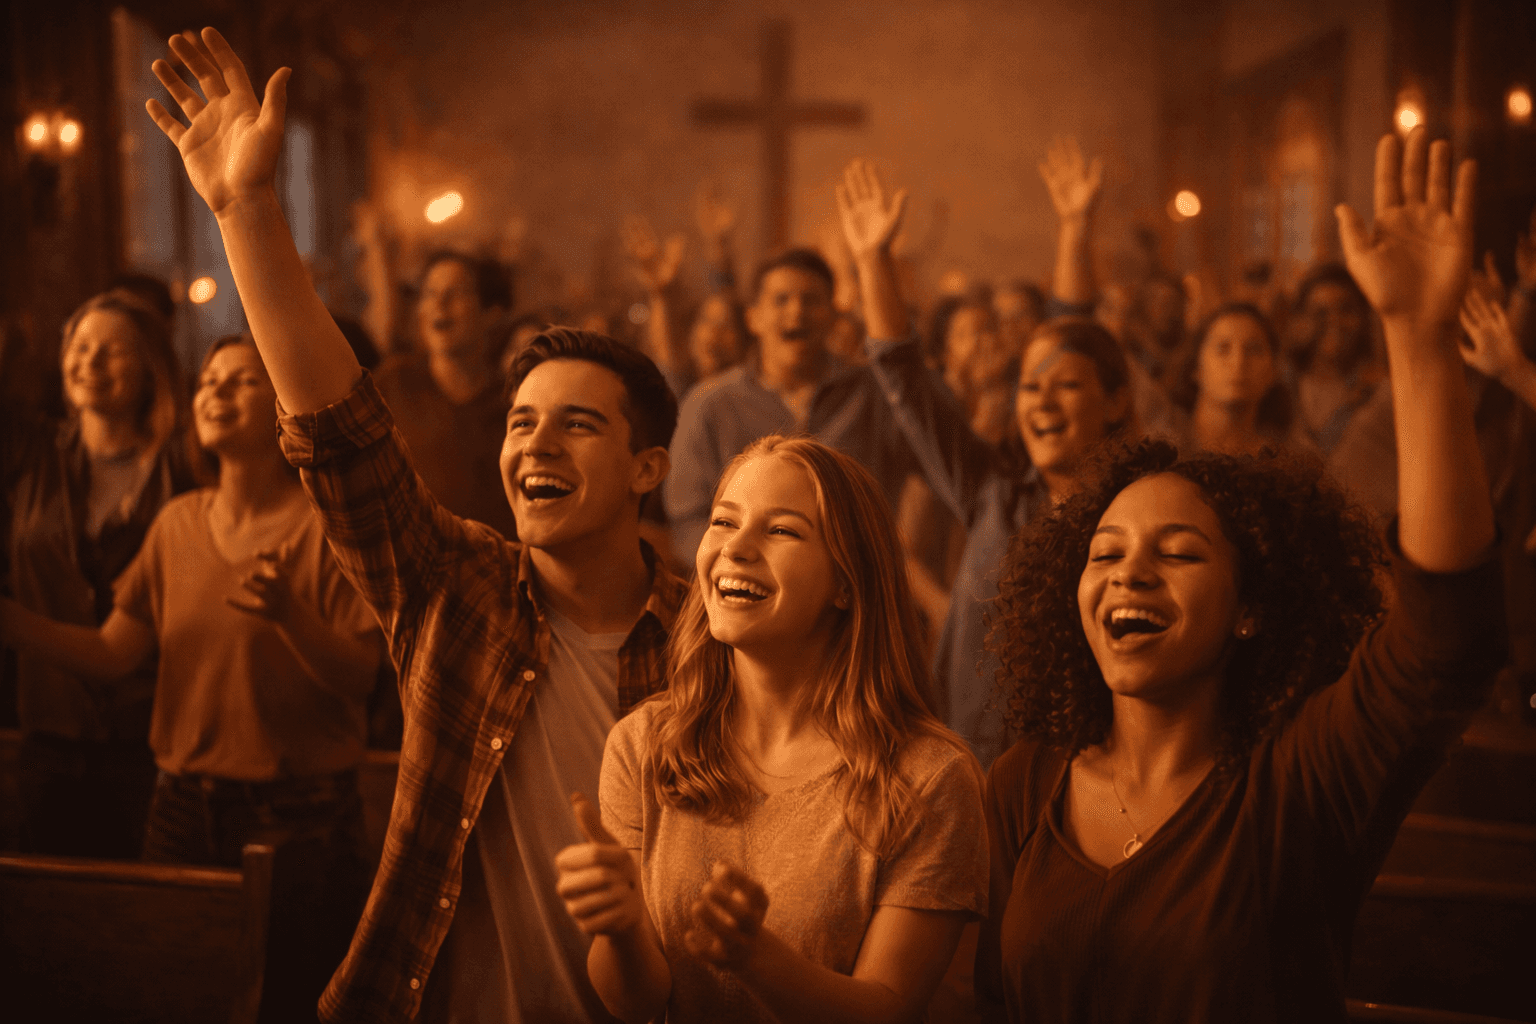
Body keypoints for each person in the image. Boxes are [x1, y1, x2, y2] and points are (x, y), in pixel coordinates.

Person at [144, 29, 686, 1023]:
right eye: (521, 423)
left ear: (648, 466)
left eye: (577, 425)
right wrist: (246, 210)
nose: (536, 448)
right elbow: (339, 433)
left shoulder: (706, 640)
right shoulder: (457, 587)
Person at [976, 129, 1505, 1022]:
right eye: (1105, 555)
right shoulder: (1024, 784)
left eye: (1177, 553)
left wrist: (1416, 339)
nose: (1128, 574)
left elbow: (1441, 639)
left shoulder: (1298, 783)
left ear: (1253, 609)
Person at [1, 333, 382, 1021]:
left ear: (281, 407)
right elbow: (114, 654)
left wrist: (291, 615)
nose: (216, 392)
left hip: (301, 816)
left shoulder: (326, 527)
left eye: (241, 381)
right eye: (208, 381)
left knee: (294, 1001)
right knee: (173, 996)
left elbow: (359, 679)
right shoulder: (178, 522)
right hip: (179, 803)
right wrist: (15, 623)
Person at [555, 435, 987, 1024]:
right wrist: (622, 929)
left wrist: (758, 959)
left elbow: (886, 1009)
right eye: (723, 522)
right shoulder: (643, 744)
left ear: (846, 582)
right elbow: (635, 1003)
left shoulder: (929, 777)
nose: (736, 549)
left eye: (781, 530)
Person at [840, 157, 1135, 769]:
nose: (1043, 402)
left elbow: (1077, 338)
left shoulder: (1138, 515)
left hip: (1087, 776)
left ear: (1115, 402)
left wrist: (1075, 230)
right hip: (972, 762)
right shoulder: (992, 491)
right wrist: (873, 263)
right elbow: (904, 379)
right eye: (1030, 387)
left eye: (1066, 387)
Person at [3, 289, 199, 858]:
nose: (90, 363)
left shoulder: (184, 465)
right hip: (46, 730)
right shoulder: (31, 453)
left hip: (156, 742)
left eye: (112, 352)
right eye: (81, 346)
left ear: (151, 368)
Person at [664, 243, 917, 569]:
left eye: (811, 300)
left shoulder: (871, 395)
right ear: (753, 317)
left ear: (834, 314)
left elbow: (924, 470)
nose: (796, 312)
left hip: (853, 587)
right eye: (781, 300)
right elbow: (688, 520)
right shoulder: (710, 404)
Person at [373, 248, 518, 539]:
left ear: (492, 314)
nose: (439, 303)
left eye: (457, 293)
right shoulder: (393, 385)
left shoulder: (513, 400)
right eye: (429, 293)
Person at [1167, 302, 1297, 456]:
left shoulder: (1284, 462)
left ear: (1274, 371)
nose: (1239, 362)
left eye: (1254, 350)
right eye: (1223, 348)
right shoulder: (1164, 449)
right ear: (1196, 365)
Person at [1287, 262, 1383, 454]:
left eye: (1346, 309)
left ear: (1364, 317)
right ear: (1300, 320)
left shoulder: (1383, 393)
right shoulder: (1280, 391)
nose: (1334, 321)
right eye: (1320, 313)